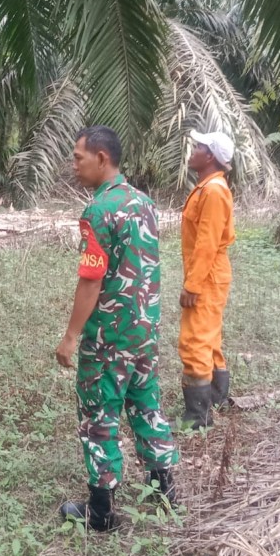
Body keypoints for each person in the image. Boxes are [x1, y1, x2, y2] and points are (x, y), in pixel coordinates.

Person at [55, 126, 179, 531]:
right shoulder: (144, 203)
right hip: (144, 330)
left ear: (101, 158)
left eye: (78, 158)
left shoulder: (98, 211)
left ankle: (102, 511)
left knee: (98, 416)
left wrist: (70, 336)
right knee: (146, 406)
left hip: (108, 337)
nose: (73, 165)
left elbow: (91, 280)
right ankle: (165, 490)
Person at [178, 130, 236, 430]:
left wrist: (192, 285)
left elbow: (207, 244)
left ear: (210, 156)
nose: (193, 150)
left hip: (207, 276)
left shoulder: (213, 191)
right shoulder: (208, 188)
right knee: (209, 338)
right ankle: (216, 398)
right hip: (211, 274)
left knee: (195, 341)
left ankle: (197, 418)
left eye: (199, 147)